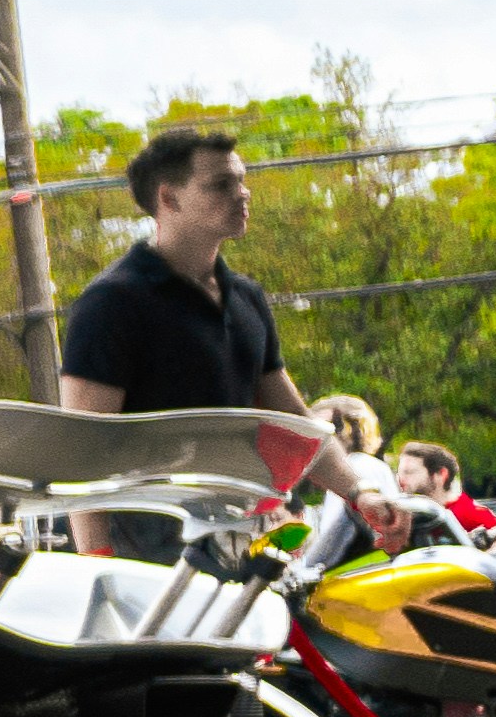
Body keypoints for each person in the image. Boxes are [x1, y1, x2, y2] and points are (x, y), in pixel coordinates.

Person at [54, 127, 403, 560]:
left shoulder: (246, 299)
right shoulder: (111, 302)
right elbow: (83, 445)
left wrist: (359, 494)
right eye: (221, 184)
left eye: (241, 179)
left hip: (238, 545)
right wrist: (97, 558)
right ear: (169, 199)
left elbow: (293, 419)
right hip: (144, 560)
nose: (242, 193)